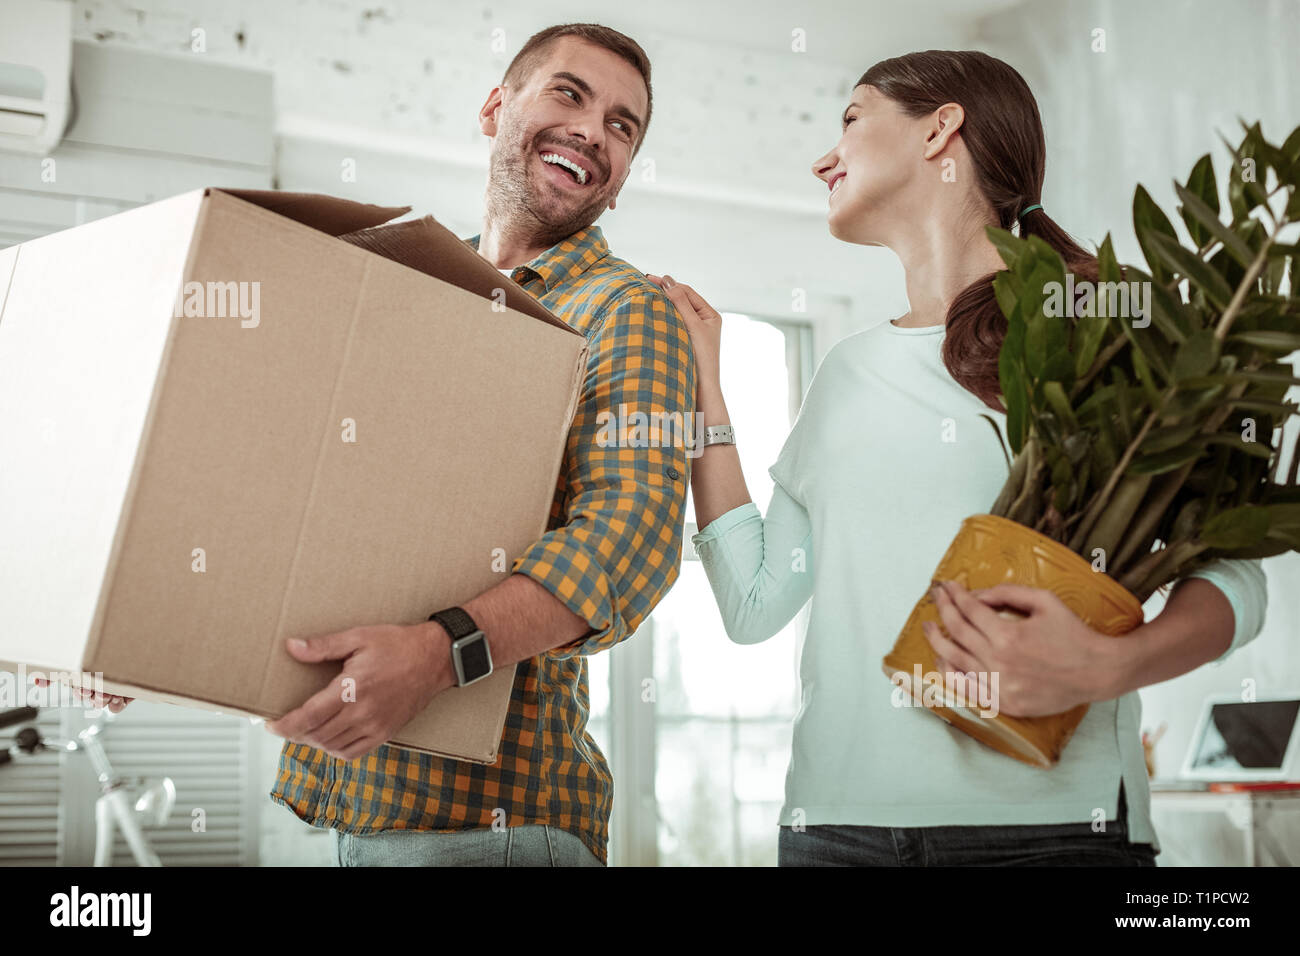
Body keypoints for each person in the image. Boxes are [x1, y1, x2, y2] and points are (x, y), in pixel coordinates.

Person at [75, 23, 696, 868]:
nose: (593, 129)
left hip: (499, 827)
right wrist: (147, 637)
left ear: (620, 181)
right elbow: (306, 501)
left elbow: (632, 538)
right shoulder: (411, 292)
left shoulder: (627, 311)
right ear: (495, 108)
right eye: (569, 93)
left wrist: (443, 653)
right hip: (353, 808)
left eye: (623, 126)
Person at [648, 49, 1267, 866]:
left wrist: (1112, 666)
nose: (823, 157)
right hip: (836, 830)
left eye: (852, 118)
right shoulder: (846, 374)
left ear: (942, 127)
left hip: (1052, 831)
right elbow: (754, 605)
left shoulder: (1099, 335)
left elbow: (1235, 577)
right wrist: (706, 394)